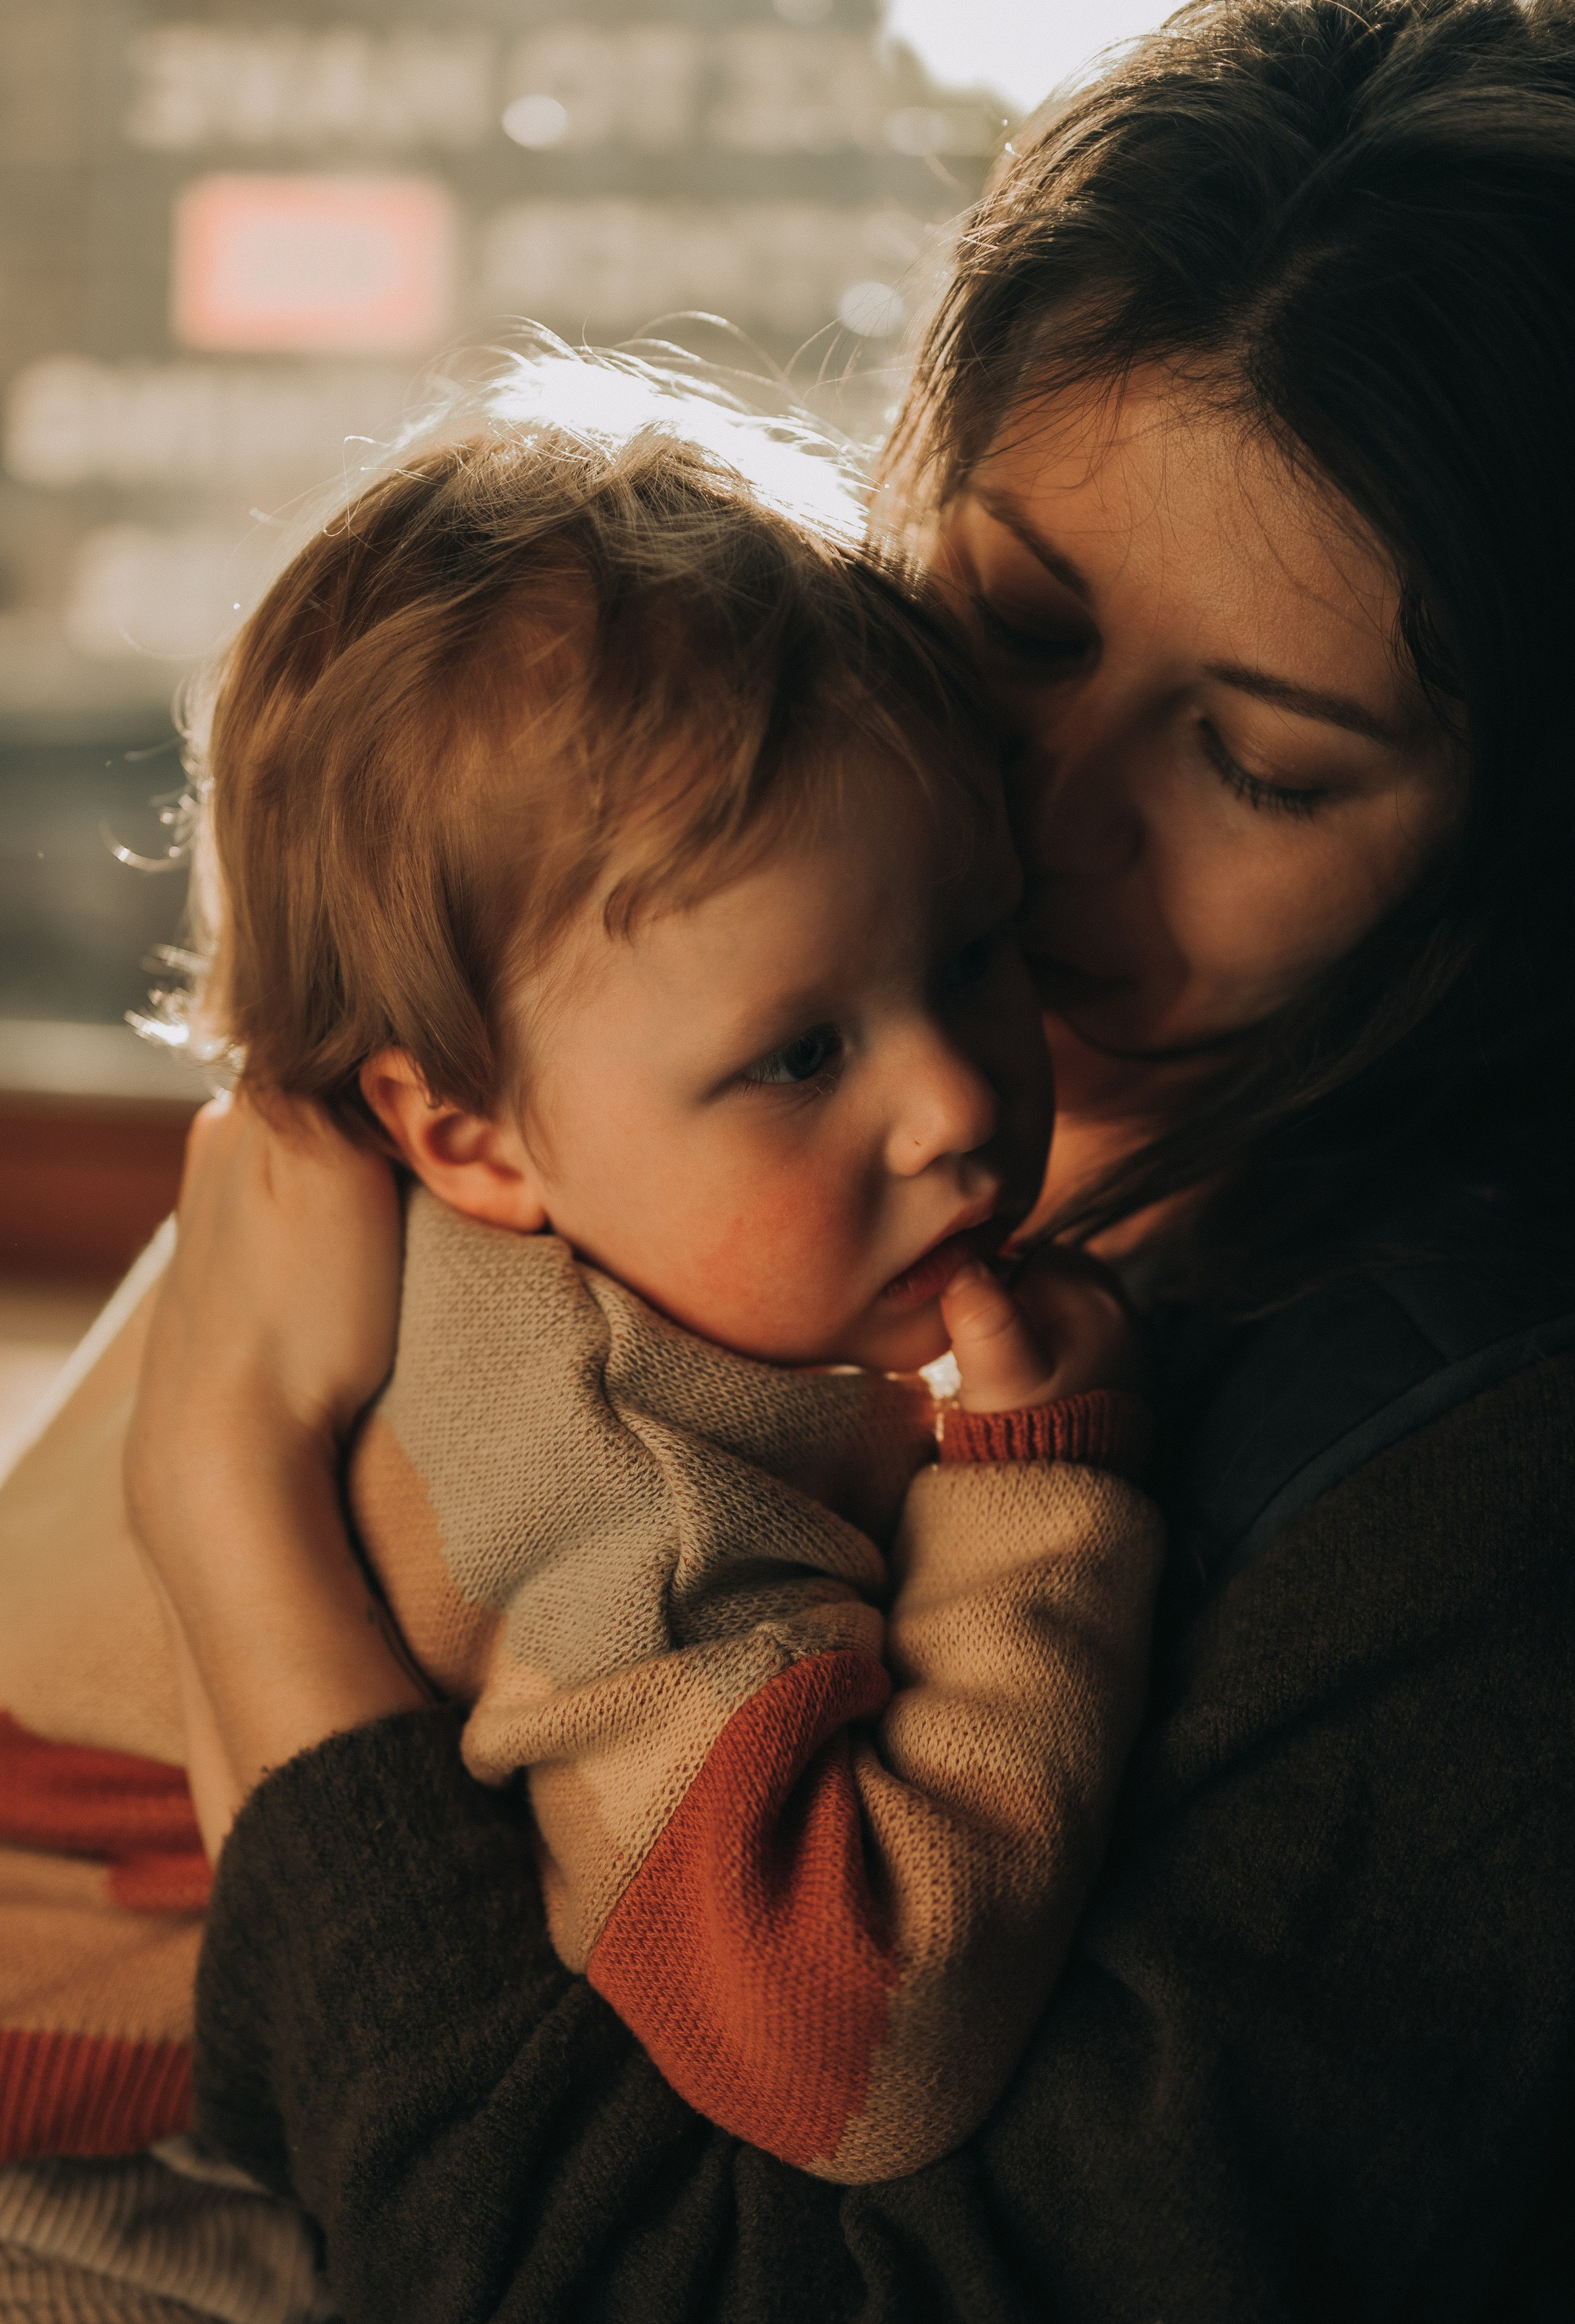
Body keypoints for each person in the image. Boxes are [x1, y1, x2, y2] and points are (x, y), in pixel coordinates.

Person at [13, 0, 1575, 2313]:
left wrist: (241, 1522)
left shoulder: (1471, 1497)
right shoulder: (599, 1029)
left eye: (1255, 763)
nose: (1039, 833)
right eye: (1016, 624)